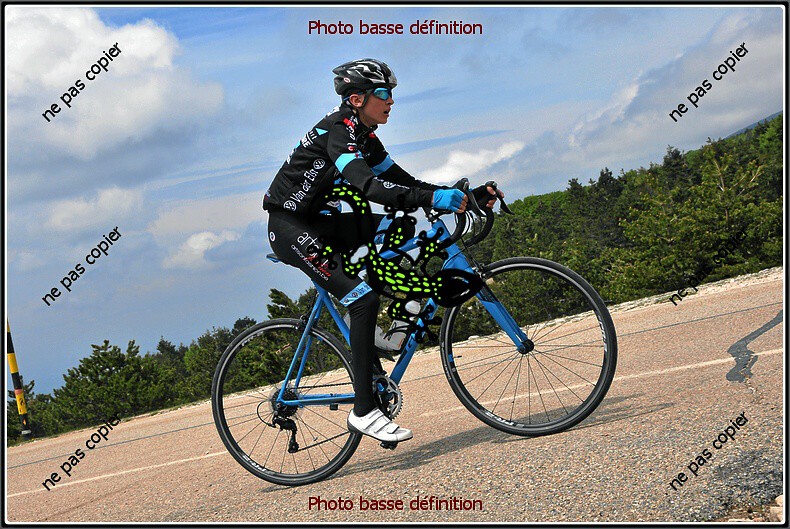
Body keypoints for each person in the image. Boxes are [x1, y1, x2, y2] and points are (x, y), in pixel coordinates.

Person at [263, 58, 501, 444]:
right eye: (383, 94)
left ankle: (370, 333)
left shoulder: (365, 136)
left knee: (404, 227)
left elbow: (402, 181)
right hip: (290, 227)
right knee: (363, 299)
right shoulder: (339, 132)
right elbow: (370, 187)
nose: (391, 101)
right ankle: (363, 411)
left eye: (392, 94)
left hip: (324, 222)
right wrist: (432, 198)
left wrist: (460, 197)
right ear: (358, 99)